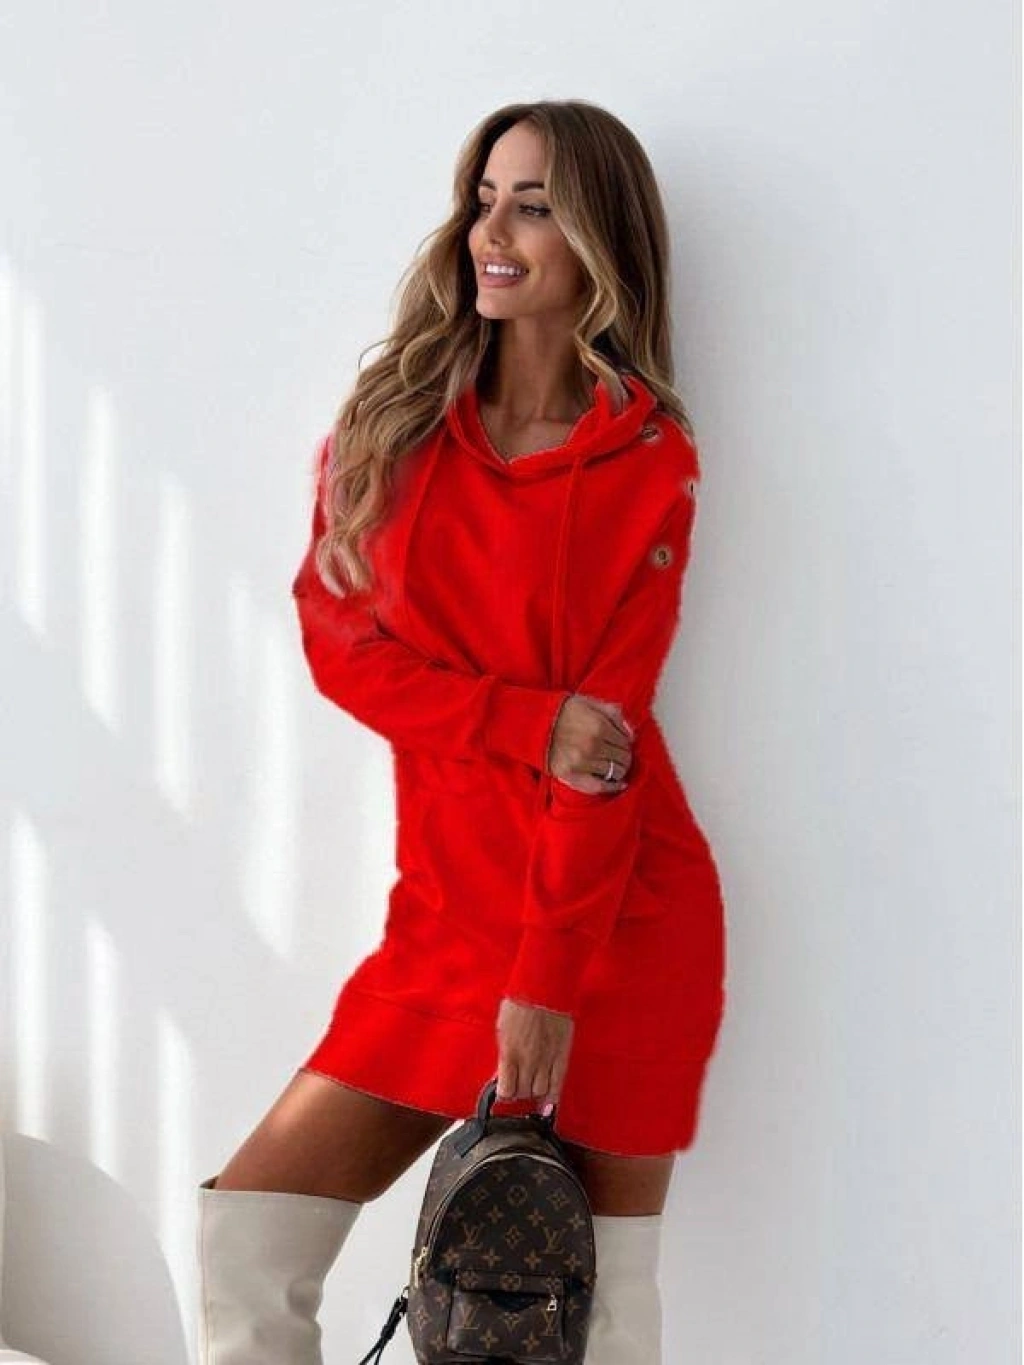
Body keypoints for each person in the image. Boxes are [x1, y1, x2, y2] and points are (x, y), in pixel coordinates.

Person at [195, 98, 727, 1364]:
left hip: (610, 929)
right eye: (484, 199)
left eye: (533, 206)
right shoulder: (394, 428)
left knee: (595, 1310)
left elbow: (606, 763)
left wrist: (543, 990)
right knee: (250, 1240)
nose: (493, 232)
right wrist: (525, 721)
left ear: (598, 239)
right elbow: (338, 647)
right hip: (442, 920)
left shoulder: (646, 463)